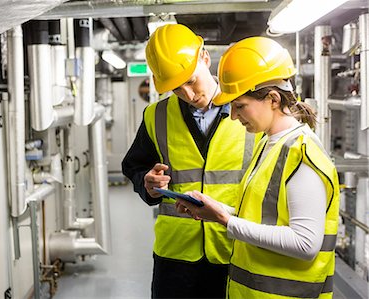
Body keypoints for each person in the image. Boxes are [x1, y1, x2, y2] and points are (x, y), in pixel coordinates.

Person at [176, 36, 340, 299]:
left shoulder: (301, 154)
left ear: (273, 99)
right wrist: (216, 209)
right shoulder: (269, 144)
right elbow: (264, 218)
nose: (233, 116)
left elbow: (305, 243)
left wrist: (225, 220)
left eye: (240, 106)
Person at [121, 24, 260, 298]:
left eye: (191, 80)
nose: (188, 93)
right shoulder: (156, 116)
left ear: (205, 58)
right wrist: (146, 183)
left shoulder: (251, 111)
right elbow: (134, 167)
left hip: (234, 248)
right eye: (175, 88)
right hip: (175, 256)